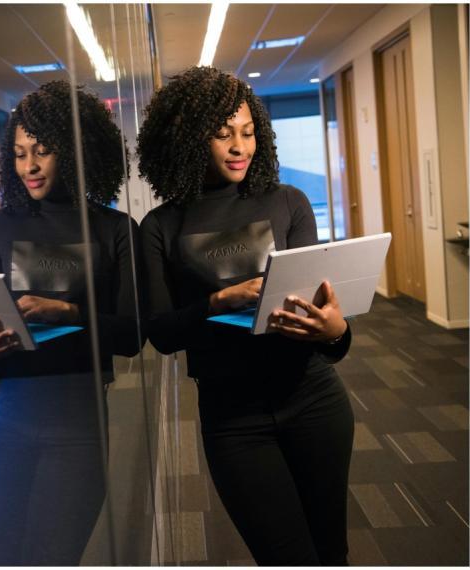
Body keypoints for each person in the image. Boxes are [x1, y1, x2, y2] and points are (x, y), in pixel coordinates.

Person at [136, 66, 354, 566]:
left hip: (314, 400)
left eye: (248, 132)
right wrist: (217, 302)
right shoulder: (161, 226)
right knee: (285, 558)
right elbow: (162, 334)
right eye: (222, 134)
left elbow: (323, 319)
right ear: (189, 140)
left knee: (331, 552)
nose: (239, 146)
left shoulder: (288, 202)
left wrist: (336, 332)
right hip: (233, 419)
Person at [0, 80, 143, 565]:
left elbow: (133, 335)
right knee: (10, 560)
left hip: (76, 424)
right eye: (19, 154)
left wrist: (71, 313)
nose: (29, 166)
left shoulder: (114, 230)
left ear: (77, 152)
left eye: (42, 152)